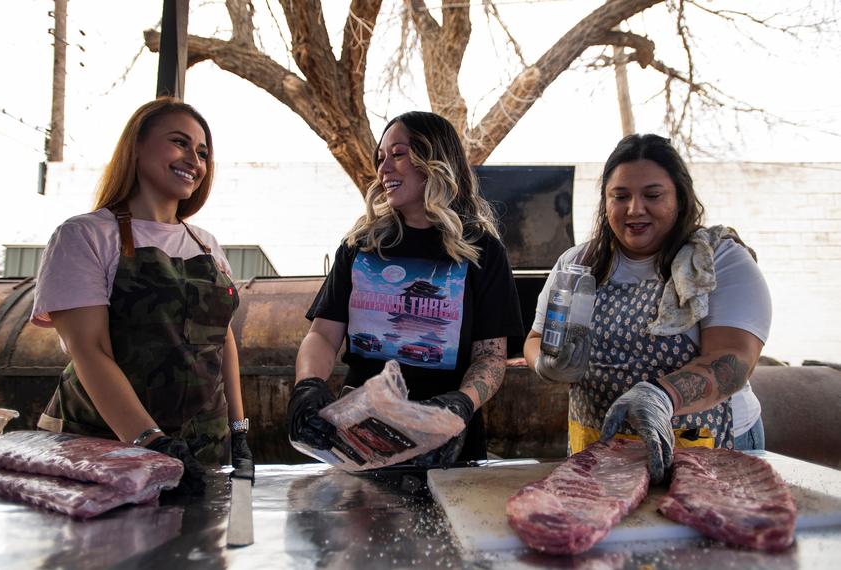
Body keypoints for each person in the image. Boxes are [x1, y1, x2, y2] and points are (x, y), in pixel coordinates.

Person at [31, 97, 253, 493]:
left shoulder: (207, 245)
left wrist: (238, 432)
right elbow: (89, 350)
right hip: (100, 450)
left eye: (202, 152)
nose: (195, 160)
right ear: (136, 146)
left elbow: (223, 341)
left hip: (201, 452)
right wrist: (149, 443)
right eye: (179, 142)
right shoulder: (84, 236)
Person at [524, 134, 771, 482]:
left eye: (653, 196)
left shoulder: (718, 261)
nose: (634, 209)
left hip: (705, 447)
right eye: (620, 196)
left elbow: (734, 359)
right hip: (600, 448)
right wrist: (547, 364)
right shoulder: (577, 264)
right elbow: (536, 337)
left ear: (680, 198)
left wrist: (661, 396)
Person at [287, 111, 523, 465]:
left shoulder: (481, 248)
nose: (384, 169)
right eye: (381, 158)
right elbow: (323, 335)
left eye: (397, 154)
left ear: (435, 160)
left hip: (445, 440)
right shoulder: (360, 244)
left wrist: (462, 402)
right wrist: (308, 385)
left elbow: (490, 356)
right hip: (360, 434)